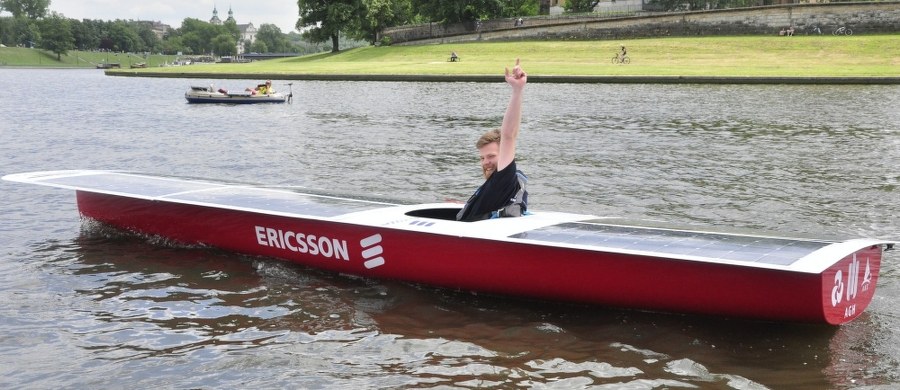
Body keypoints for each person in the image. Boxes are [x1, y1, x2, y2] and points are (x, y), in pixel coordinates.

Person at [456, 59, 528, 222]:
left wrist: (517, 90)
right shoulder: (497, 187)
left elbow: (508, 135)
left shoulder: (503, 180)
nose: (485, 162)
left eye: (491, 156)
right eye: (482, 158)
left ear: (503, 155)